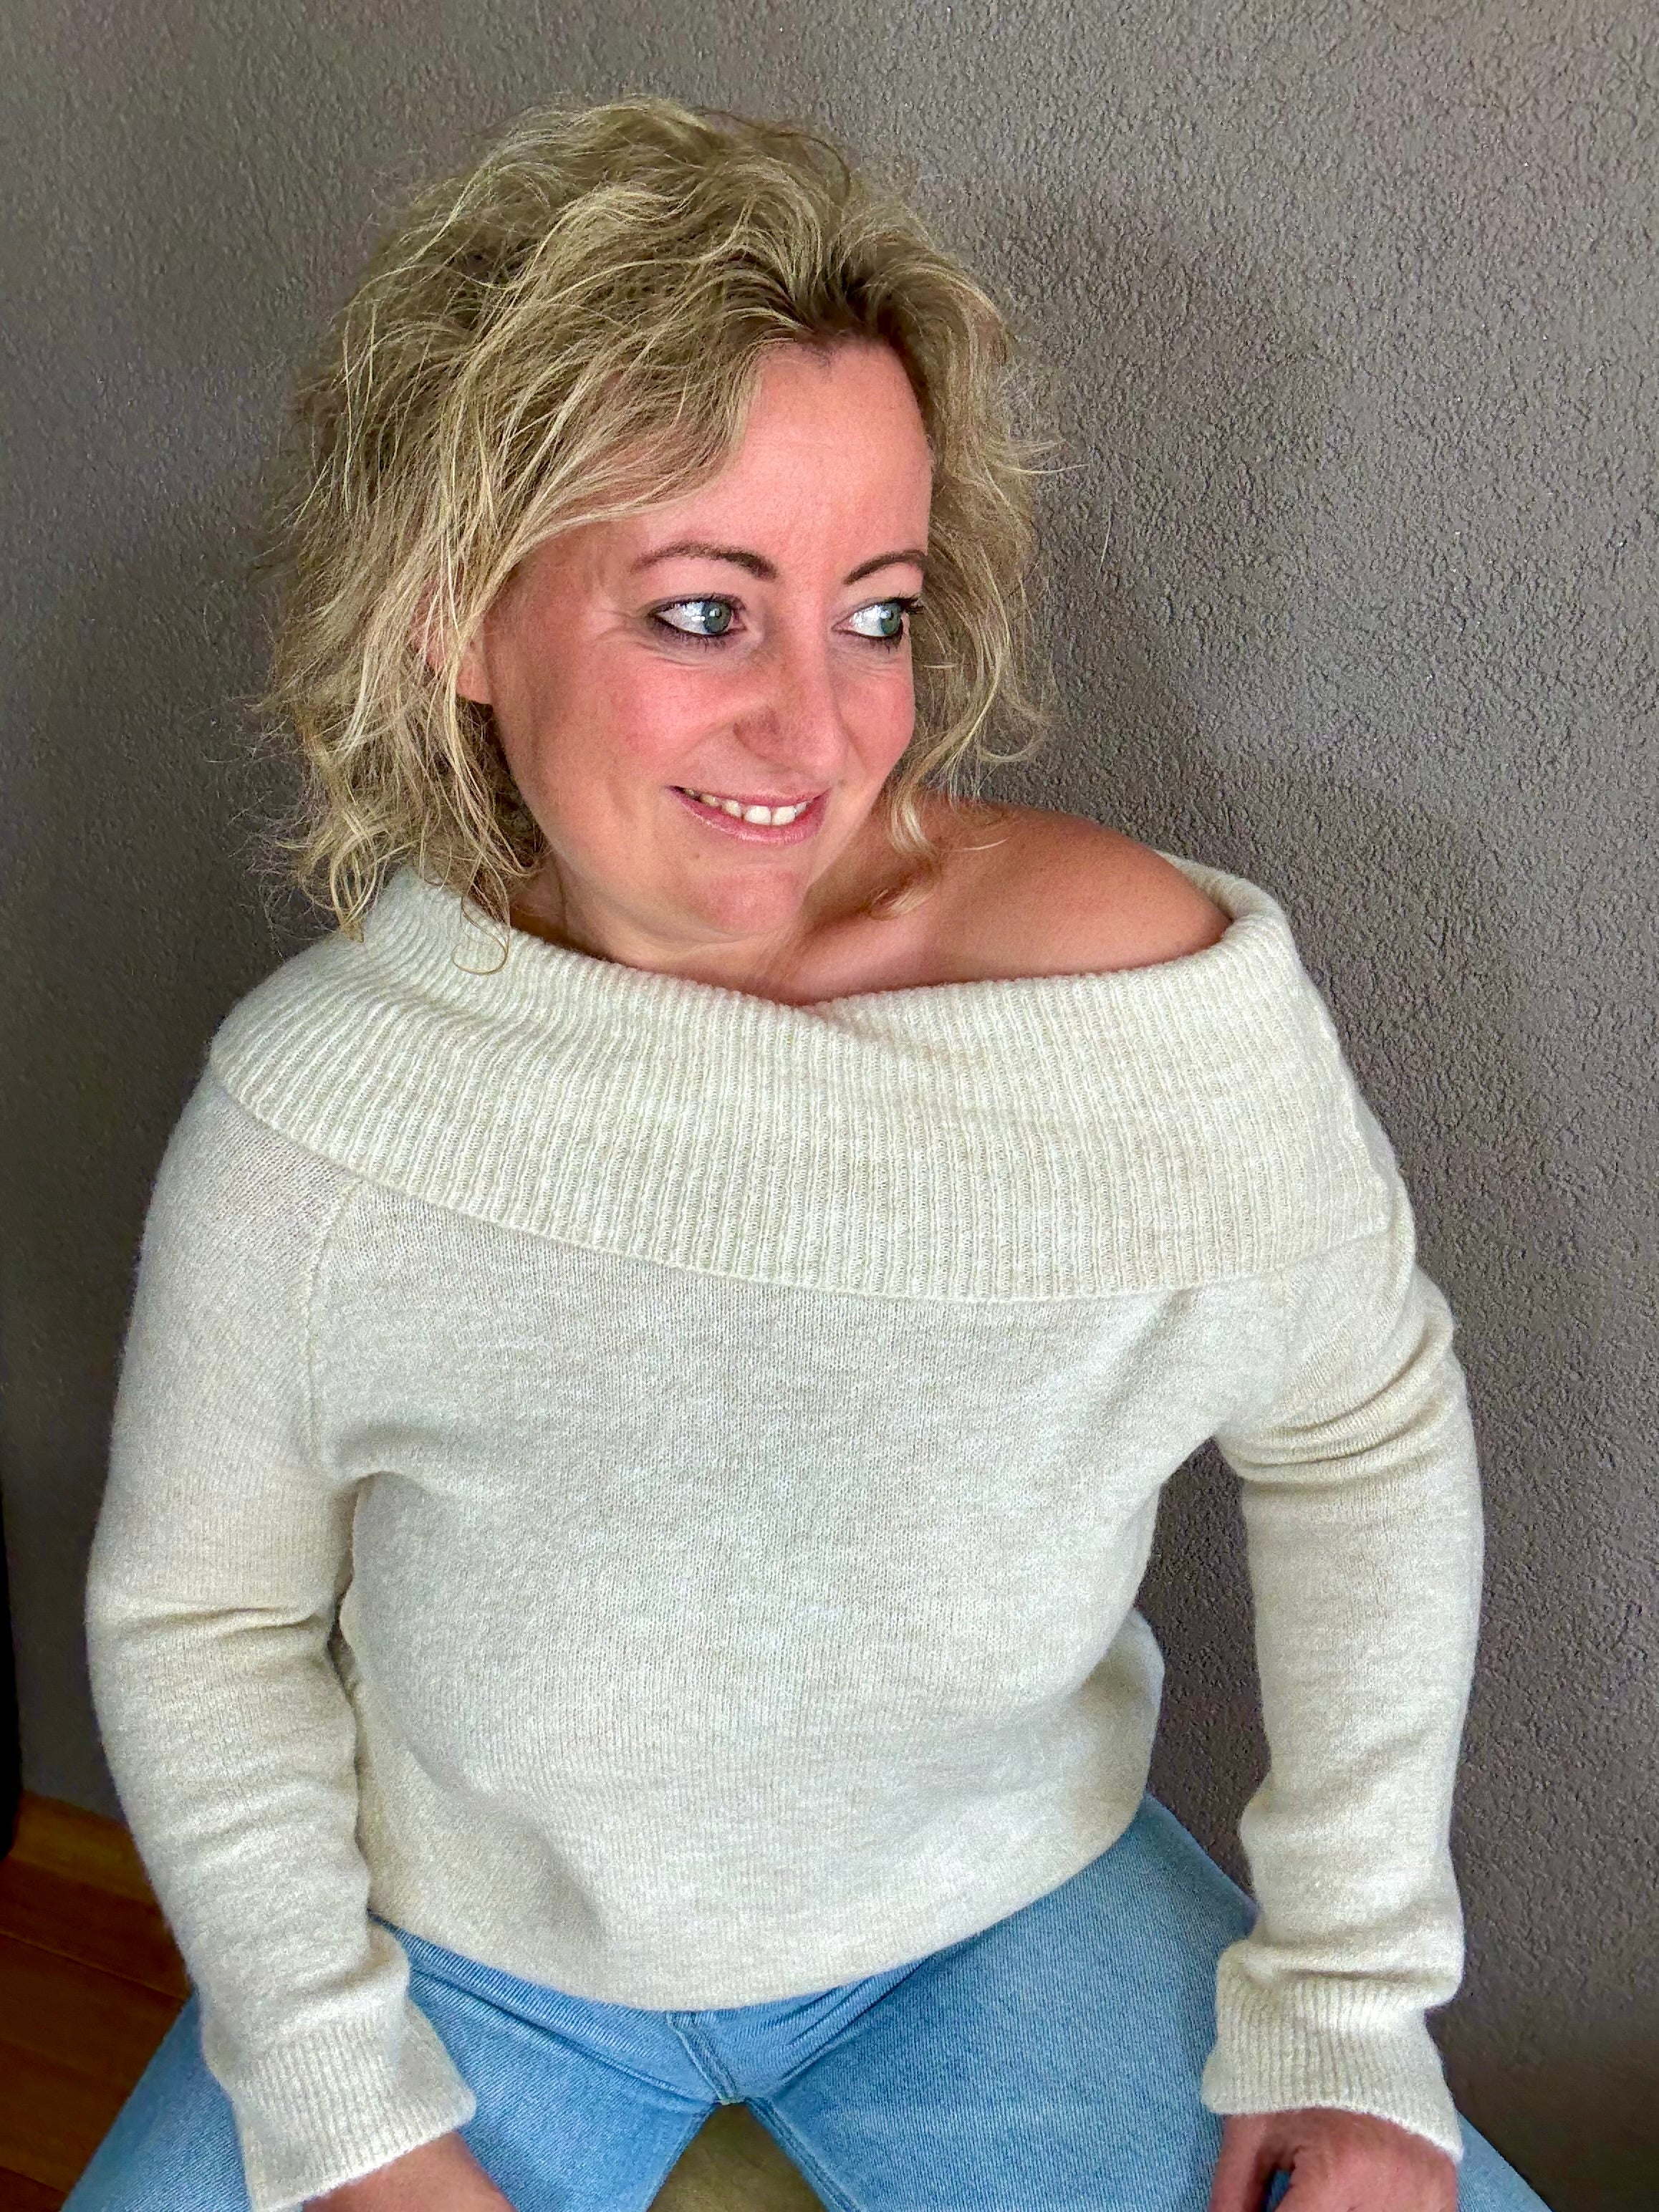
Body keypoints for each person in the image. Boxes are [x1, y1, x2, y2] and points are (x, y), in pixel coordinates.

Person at [72, 97, 1549, 2212]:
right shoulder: (325, 1114)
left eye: (873, 611)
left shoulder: (1144, 1014)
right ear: (458, 615)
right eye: (703, 613)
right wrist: (337, 2106)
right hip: (467, 1964)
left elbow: (1360, 1431)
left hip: (1004, 1922)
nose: (820, 728)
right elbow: (203, 1620)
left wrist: (1350, 2001)